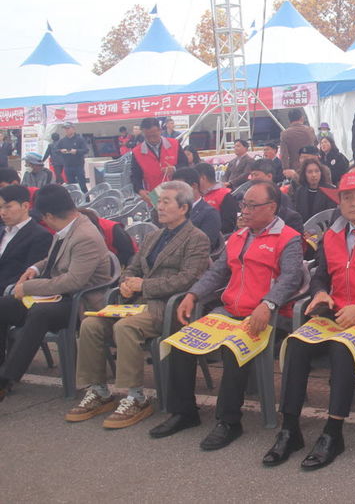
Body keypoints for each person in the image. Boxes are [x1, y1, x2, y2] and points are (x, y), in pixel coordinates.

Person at [264, 171, 355, 470]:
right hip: (334, 314)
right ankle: (289, 429)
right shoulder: (330, 236)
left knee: (341, 350)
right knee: (295, 346)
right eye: (347, 197)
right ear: (340, 203)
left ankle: (333, 433)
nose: (353, 202)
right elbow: (320, 276)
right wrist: (320, 293)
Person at [150, 181, 303, 448]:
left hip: (267, 316)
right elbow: (217, 273)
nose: (244, 210)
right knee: (181, 343)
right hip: (229, 311)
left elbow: (290, 278)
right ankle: (184, 412)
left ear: (272, 208)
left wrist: (267, 304)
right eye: (243, 204)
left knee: (234, 349)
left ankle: (229, 421)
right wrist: (193, 295)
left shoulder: (289, 237)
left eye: (251, 206)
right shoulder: (238, 236)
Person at [68, 181, 210, 428]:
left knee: (126, 327)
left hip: (167, 307)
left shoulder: (196, 238)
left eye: (166, 202)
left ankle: (136, 396)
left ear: (184, 208)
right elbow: (132, 267)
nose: (160, 207)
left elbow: (187, 279)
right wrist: (125, 283)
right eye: (159, 201)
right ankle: (98, 390)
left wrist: (143, 286)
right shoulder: (153, 235)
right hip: (135, 303)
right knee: (91, 323)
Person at [0, 184, 113, 401]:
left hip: (79, 301)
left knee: (40, 313)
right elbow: (52, 259)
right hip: (56, 295)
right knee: (4, 305)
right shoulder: (66, 228)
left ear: (49, 216)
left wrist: (28, 288)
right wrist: (34, 269)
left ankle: (6, 378)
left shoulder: (85, 235)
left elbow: (73, 281)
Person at [0, 185, 52, 300]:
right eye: (0, 208)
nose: (2, 213)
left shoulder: (40, 236)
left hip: (11, 294)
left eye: (8, 207)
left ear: (25, 206)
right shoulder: (2, 231)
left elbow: (29, 276)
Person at [131, 117, 188, 205]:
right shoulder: (137, 152)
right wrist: (140, 191)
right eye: (148, 136)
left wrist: (174, 169)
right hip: (155, 198)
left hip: (178, 195)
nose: (152, 139)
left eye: (154, 135)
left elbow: (185, 164)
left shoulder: (174, 144)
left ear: (160, 130)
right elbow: (135, 177)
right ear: (143, 133)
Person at [171, 167, 222, 251]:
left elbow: (204, 246)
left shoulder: (209, 214)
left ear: (194, 186)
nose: (176, 193)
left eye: (179, 188)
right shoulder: (173, 211)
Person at [247, 159, 304, 234]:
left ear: (269, 176)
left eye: (256, 175)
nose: (253, 179)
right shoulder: (248, 196)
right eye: (252, 175)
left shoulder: (282, 199)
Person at [196, 162, 238, 235]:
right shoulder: (198, 195)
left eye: (195, 179)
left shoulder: (225, 195)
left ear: (203, 178)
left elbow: (228, 226)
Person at [293, 158, 336, 223]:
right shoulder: (300, 191)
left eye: (317, 171)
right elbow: (297, 214)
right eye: (310, 172)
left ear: (321, 172)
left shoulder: (329, 190)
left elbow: (331, 215)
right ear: (304, 174)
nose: (314, 175)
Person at [57, 122, 90, 193]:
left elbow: (86, 150)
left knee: (82, 184)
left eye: (68, 128)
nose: (66, 130)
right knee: (71, 186)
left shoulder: (80, 139)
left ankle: (87, 200)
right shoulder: (62, 141)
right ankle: (74, 200)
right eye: (65, 129)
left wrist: (76, 151)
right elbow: (56, 150)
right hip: (67, 166)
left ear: (73, 129)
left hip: (78, 165)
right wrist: (61, 150)